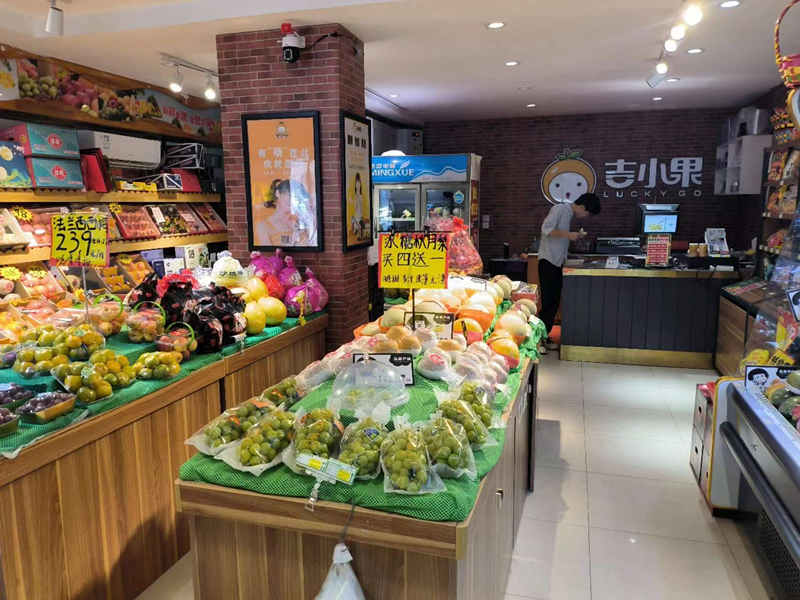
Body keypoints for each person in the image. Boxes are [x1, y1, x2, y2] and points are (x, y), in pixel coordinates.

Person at [537, 193, 601, 352]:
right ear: (583, 207)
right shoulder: (560, 209)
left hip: (556, 262)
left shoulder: (568, 213)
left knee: (553, 302)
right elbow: (546, 229)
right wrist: (569, 235)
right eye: (587, 213)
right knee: (548, 302)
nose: (586, 217)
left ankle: (544, 336)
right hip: (548, 261)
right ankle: (538, 340)